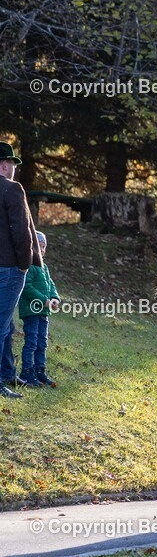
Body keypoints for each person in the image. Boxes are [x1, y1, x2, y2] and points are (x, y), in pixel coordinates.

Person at [0, 143, 40, 398]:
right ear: (4, 164)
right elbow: (22, 229)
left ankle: (6, 373)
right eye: (12, 164)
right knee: (1, 325)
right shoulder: (12, 189)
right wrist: (25, 264)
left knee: (6, 324)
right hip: (9, 268)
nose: (14, 169)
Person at [17, 231, 59, 388]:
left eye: (44, 246)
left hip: (43, 312)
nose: (42, 249)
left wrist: (54, 298)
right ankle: (27, 372)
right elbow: (27, 288)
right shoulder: (29, 266)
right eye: (39, 246)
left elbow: (51, 285)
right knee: (32, 341)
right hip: (31, 311)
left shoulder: (44, 267)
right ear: (32, 246)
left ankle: (39, 370)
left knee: (42, 342)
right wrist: (44, 301)